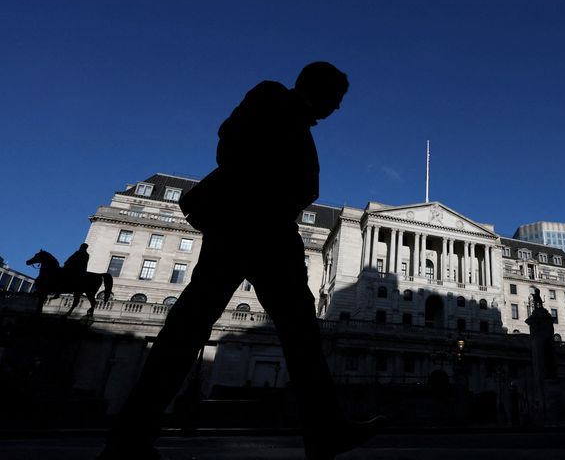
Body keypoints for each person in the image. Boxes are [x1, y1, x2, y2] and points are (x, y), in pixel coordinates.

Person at [99, 62, 384, 460]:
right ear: (319, 89)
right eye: (336, 98)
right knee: (222, 329)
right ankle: (131, 437)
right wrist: (265, 194)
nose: (336, 107)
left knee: (274, 332)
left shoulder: (299, 126)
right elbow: (230, 144)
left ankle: (130, 437)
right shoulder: (272, 96)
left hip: (265, 231)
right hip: (251, 227)